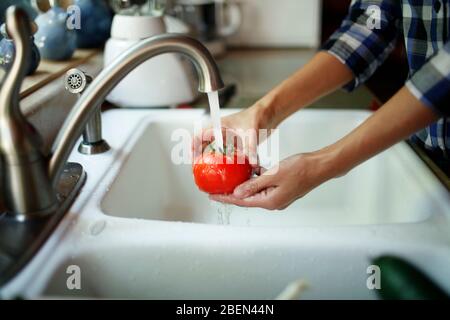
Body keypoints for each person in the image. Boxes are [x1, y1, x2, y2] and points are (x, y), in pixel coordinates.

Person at [198, 0, 449, 210]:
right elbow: (370, 24)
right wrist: (262, 113)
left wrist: (320, 165)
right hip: (428, 152)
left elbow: (444, 75)